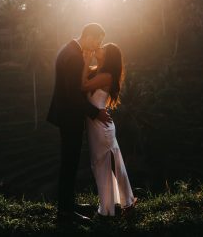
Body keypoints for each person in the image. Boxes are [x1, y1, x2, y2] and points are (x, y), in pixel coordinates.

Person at [47, 23, 112, 226]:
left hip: (66, 115)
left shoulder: (70, 49)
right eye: (97, 41)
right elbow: (74, 95)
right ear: (89, 37)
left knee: (70, 163)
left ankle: (68, 205)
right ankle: (65, 213)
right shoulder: (74, 57)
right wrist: (96, 113)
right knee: (69, 164)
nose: (97, 46)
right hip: (70, 117)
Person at [81, 43, 137, 217]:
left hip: (101, 127)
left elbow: (83, 86)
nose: (99, 48)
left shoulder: (106, 76)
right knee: (104, 165)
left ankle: (109, 209)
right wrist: (86, 60)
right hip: (96, 125)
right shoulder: (98, 70)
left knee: (103, 165)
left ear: (108, 56)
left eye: (103, 48)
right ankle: (121, 204)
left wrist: (85, 61)